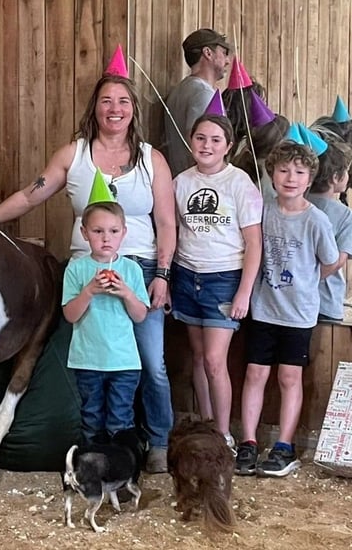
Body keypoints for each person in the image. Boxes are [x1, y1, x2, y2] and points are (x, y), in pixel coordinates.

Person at [0, 60, 176, 473]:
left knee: (151, 362)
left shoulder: (151, 159)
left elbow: (165, 222)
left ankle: (157, 440)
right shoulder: (75, 154)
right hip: (84, 270)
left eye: (123, 101)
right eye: (106, 100)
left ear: (133, 110)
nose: (114, 108)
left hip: (139, 268)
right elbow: (31, 195)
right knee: (85, 362)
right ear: (94, 107)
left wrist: (162, 274)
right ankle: (90, 445)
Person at [235, 142, 339, 478]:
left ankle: (284, 446)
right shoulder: (262, 212)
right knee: (255, 373)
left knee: (289, 377)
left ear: (310, 178)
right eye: (283, 170)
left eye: (299, 172)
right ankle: (248, 442)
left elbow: (331, 260)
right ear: (272, 175)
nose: (290, 178)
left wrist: (308, 281)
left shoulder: (316, 220)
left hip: (298, 314)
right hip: (263, 309)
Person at [171, 114, 263, 451]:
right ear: (190, 141)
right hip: (186, 275)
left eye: (215, 140)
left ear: (228, 146)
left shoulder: (239, 183)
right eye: (200, 138)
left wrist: (243, 292)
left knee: (213, 359)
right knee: (198, 357)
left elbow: (254, 243)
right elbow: (172, 231)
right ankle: (207, 426)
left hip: (224, 278)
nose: (206, 145)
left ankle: (223, 435)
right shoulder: (180, 183)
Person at [62, 198, 149, 444]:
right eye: (97, 231)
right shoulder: (76, 269)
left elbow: (140, 315)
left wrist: (126, 293)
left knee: (120, 420)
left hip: (124, 362)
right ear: (84, 234)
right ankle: (92, 463)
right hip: (87, 360)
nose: (106, 238)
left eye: (113, 231)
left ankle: (120, 463)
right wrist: (89, 291)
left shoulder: (132, 270)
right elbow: (70, 315)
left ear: (124, 233)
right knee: (91, 419)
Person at [162, 28, 232, 178]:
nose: (228, 61)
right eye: (224, 53)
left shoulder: (180, 90)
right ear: (208, 53)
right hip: (199, 182)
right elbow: (198, 141)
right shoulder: (203, 93)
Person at [307, 140, 352, 321]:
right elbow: (338, 261)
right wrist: (307, 283)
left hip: (286, 298)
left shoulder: (294, 204)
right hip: (325, 300)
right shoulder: (345, 214)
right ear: (335, 177)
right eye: (347, 171)